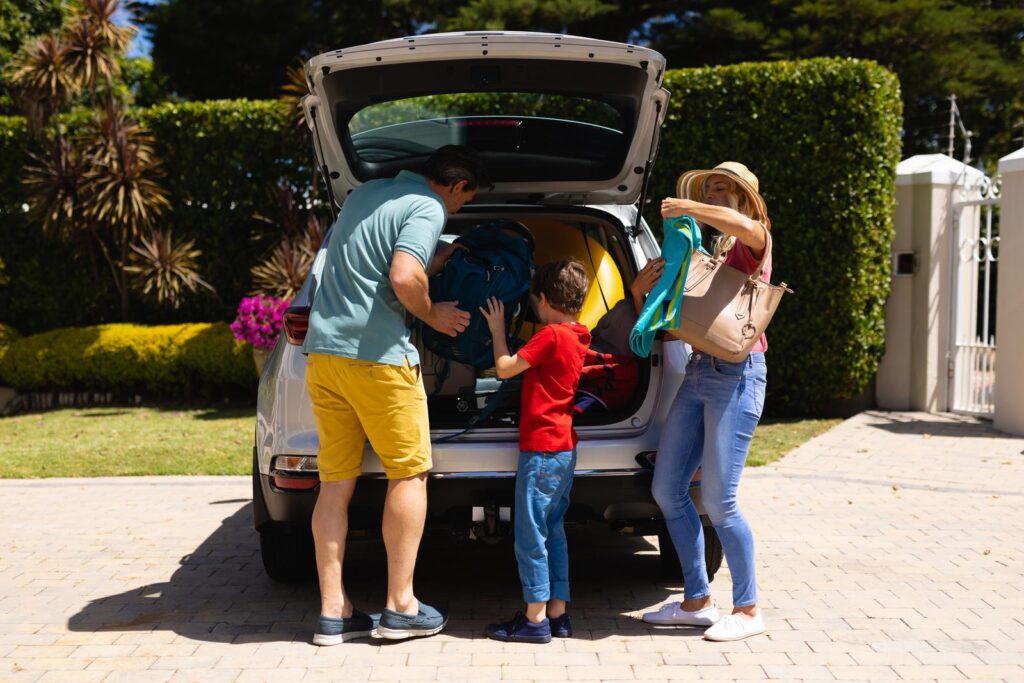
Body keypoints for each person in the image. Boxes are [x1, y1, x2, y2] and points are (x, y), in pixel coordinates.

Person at [302, 145, 489, 645]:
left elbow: (369, 261)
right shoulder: (427, 205)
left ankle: (333, 611)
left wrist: (435, 256)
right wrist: (433, 314)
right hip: (377, 358)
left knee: (335, 482)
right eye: (462, 202)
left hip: (324, 356)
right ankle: (401, 606)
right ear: (455, 185)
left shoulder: (365, 193)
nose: (455, 211)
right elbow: (404, 276)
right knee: (408, 472)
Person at [641, 161, 773, 642]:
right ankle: (697, 599)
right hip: (699, 370)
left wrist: (692, 206)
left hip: (738, 375)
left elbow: (744, 226)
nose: (715, 194)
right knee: (668, 490)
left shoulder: (754, 238)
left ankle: (749, 608)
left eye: (725, 189)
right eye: (710, 187)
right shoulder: (713, 248)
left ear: (743, 198)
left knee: (721, 501)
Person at [478, 260, 591, 644]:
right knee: (553, 529)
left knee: (530, 535)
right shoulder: (578, 334)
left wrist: (497, 330)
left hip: (541, 450)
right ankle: (557, 613)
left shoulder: (551, 336)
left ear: (542, 300)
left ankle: (535, 619)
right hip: (564, 449)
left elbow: (505, 369)